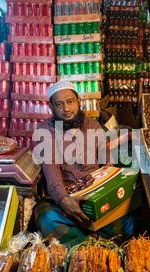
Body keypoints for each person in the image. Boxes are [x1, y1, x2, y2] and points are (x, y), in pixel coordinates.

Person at [33, 81, 134, 247]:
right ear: (51, 107)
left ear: (79, 101)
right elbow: (52, 176)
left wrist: (107, 191)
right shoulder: (46, 132)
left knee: (126, 214)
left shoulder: (93, 125)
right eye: (59, 104)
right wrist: (64, 200)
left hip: (95, 193)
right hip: (67, 197)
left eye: (70, 101)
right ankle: (90, 243)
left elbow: (107, 163)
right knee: (45, 216)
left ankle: (86, 239)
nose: (66, 109)